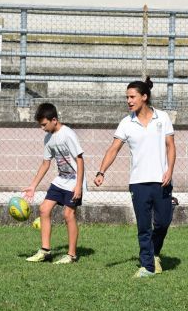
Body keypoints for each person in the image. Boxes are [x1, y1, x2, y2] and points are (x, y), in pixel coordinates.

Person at [94, 77, 176, 278]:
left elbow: (171, 146)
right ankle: (147, 266)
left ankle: (154, 253)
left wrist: (170, 170)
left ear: (144, 97)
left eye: (132, 97)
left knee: (163, 222)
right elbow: (113, 149)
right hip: (138, 183)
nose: (129, 101)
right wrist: (101, 171)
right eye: (127, 97)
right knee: (143, 226)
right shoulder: (126, 123)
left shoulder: (162, 117)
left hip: (162, 180)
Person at [23, 103, 85, 264]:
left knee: (68, 214)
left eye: (44, 124)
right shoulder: (48, 138)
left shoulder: (68, 134)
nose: (42, 128)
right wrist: (33, 186)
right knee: (44, 209)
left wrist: (79, 185)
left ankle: (71, 255)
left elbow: (80, 159)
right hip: (61, 180)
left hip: (74, 181)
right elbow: (45, 163)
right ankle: (45, 251)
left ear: (54, 120)